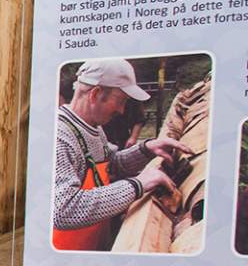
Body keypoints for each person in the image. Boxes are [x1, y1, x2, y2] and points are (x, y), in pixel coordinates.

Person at [52, 57, 184, 250]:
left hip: (95, 244)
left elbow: (111, 164)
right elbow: (64, 210)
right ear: (95, 94)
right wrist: (138, 184)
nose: (122, 111)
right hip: (68, 251)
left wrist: (147, 149)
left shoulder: (94, 128)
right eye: (121, 101)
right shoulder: (60, 137)